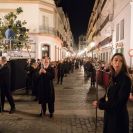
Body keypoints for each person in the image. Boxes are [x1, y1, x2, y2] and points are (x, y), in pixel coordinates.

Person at [92, 53, 132, 133]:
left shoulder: (125, 79)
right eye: (116, 60)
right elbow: (108, 95)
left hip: (118, 119)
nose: (118, 63)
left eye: (121, 61)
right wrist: (100, 101)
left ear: (123, 64)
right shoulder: (112, 77)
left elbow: (119, 103)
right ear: (111, 62)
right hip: (109, 116)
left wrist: (101, 105)